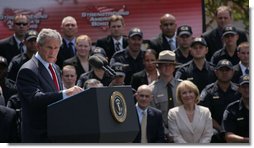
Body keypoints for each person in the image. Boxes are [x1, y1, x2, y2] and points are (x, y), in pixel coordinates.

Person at [16, 28, 83, 142]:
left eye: (56, 48)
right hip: (38, 136)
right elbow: (34, 99)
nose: (53, 52)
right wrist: (66, 93)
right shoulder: (28, 70)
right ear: (38, 46)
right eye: (49, 47)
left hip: (56, 132)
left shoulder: (55, 67)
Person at [199, 59, 239, 143]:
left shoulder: (239, 91)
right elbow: (204, 114)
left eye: (227, 70)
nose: (224, 73)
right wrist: (221, 129)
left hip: (237, 127)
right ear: (216, 72)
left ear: (232, 72)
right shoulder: (208, 91)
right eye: (221, 70)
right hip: (216, 129)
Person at [149, 50, 180, 142]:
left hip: (183, 132)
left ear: (174, 67)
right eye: (164, 65)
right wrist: (167, 132)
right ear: (158, 67)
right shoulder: (151, 90)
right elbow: (153, 116)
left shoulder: (182, 86)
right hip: (161, 134)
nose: (167, 67)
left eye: (170, 65)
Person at [221, 75, 249, 143]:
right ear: (239, 89)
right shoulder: (231, 109)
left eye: (249, 87)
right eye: (244, 87)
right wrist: (248, 140)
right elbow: (228, 136)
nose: (247, 90)